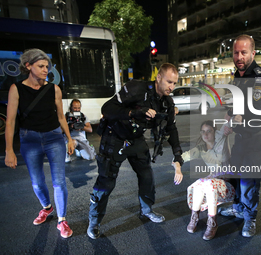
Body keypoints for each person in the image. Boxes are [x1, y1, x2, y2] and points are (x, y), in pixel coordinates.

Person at [87, 63, 184, 239]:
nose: (172, 87)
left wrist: (178, 156)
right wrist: (133, 112)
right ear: (159, 78)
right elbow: (107, 109)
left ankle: (146, 210)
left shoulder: (167, 102)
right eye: (169, 82)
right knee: (106, 182)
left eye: (175, 83)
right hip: (114, 136)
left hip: (136, 138)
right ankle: (94, 222)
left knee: (147, 175)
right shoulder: (136, 88)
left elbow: (172, 129)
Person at [4, 48, 74, 238]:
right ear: (28, 66)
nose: (46, 70)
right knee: (37, 182)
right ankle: (46, 207)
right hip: (30, 140)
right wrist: (9, 150)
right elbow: (10, 121)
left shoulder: (54, 89)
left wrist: (69, 138)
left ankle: (62, 220)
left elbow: (61, 117)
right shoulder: (16, 89)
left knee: (59, 182)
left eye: (47, 66)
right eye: (41, 66)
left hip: (54, 138)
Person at [219, 34, 261, 237]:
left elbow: (256, 106)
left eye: (244, 52)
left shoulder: (260, 77)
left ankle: (250, 218)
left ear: (253, 53)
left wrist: (237, 117)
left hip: (258, 138)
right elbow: (235, 104)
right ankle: (238, 208)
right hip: (242, 138)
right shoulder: (238, 75)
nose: (239, 56)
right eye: (236, 52)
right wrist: (229, 118)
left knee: (249, 181)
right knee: (235, 176)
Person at [176, 120, 236, 240]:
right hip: (212, 184)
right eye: (203, 132)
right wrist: (177, 169)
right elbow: (179, 158)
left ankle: (212, 223)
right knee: (199, 185)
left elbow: (232, 121)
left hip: (229, 184)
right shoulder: (201, 148)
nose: (206, 134)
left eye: (209, 131)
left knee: (207, 182)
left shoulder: (221, 138)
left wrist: (232, 126)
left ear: (215, 131)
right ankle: (194, 217)